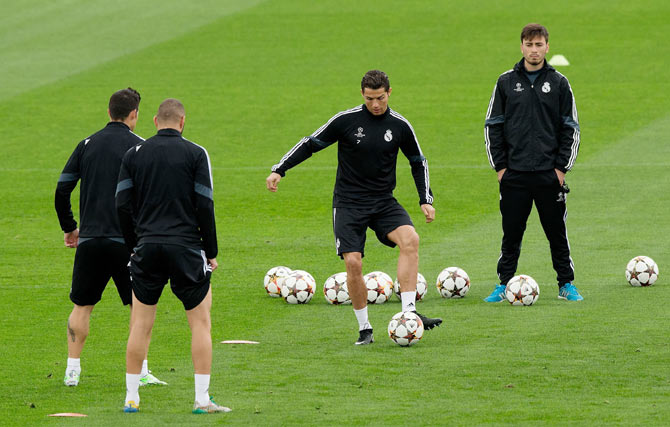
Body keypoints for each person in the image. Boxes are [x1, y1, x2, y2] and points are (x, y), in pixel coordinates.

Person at [266, 70, 442, 346]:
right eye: (370, 98)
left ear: (389, 93)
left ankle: (409, 313)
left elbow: (418, 161)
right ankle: (365, 328)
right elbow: (310, 144)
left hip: (383, 201)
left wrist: (425, 198)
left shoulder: (399, 125)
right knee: (353, 262)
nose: (375, 104)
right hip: (348, 203)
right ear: (362, 94)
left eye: (381, 98)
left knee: (411, 240)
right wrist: (280, 170)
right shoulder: (346, 121)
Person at [116, 98, 228, 414]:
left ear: (155, 121)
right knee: (200, 323)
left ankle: (131, 398)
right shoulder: (196, 153)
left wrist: (134, 244)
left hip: (147, 247)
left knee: (140, 324)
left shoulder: (133, 154)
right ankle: (202, 399)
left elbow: (122, 205)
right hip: (186, 247)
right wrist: (211, 251)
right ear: (182, 122)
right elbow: (205, 205)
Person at [54, 88, 166, 387]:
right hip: (127, 243)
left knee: (82, 305)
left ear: (108, 112)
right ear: (135, 114)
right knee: (138, 307)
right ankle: (141, 373)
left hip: (90, 240)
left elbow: (62, 189)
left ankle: (72, 370)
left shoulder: (87, 144)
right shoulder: (142, 147)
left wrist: (70, 227)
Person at [483, 23, 583, 302]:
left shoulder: (560, 83)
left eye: (539, 45)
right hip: (514, 174)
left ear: (547, 47)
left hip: (548, 176)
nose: (534, 50)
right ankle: (503, 284)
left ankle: (566, 284)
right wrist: (501, 168)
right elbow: (492, 125)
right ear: (522, 46)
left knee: (556, 234)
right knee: (511, 234)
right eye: (529, 45)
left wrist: (561, 169)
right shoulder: (505, 82)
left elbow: (571, 128)